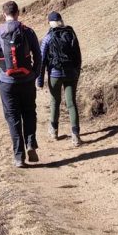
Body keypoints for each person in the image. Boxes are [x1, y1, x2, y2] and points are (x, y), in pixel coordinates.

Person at [0, 0, 42, 168]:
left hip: (6, 83)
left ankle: (19, 157)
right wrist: (34, 74)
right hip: (27, 80)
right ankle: (31, 143)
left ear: (4, 14)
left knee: (13, 118)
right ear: (18, 13)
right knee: (29, 112)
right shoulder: (28, 31)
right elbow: (38, 56)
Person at [37, 11, 82, 146]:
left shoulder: (48, 38)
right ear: (61, 20)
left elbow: (42, 60)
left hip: (55, 75)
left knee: (55, 101)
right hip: (71, 74)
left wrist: (39, 80)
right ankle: (75, 136)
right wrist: (77, 73)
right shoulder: (71, 33)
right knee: (71, 103)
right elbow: (78, 55)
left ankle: (54, 131)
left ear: (50, 23)